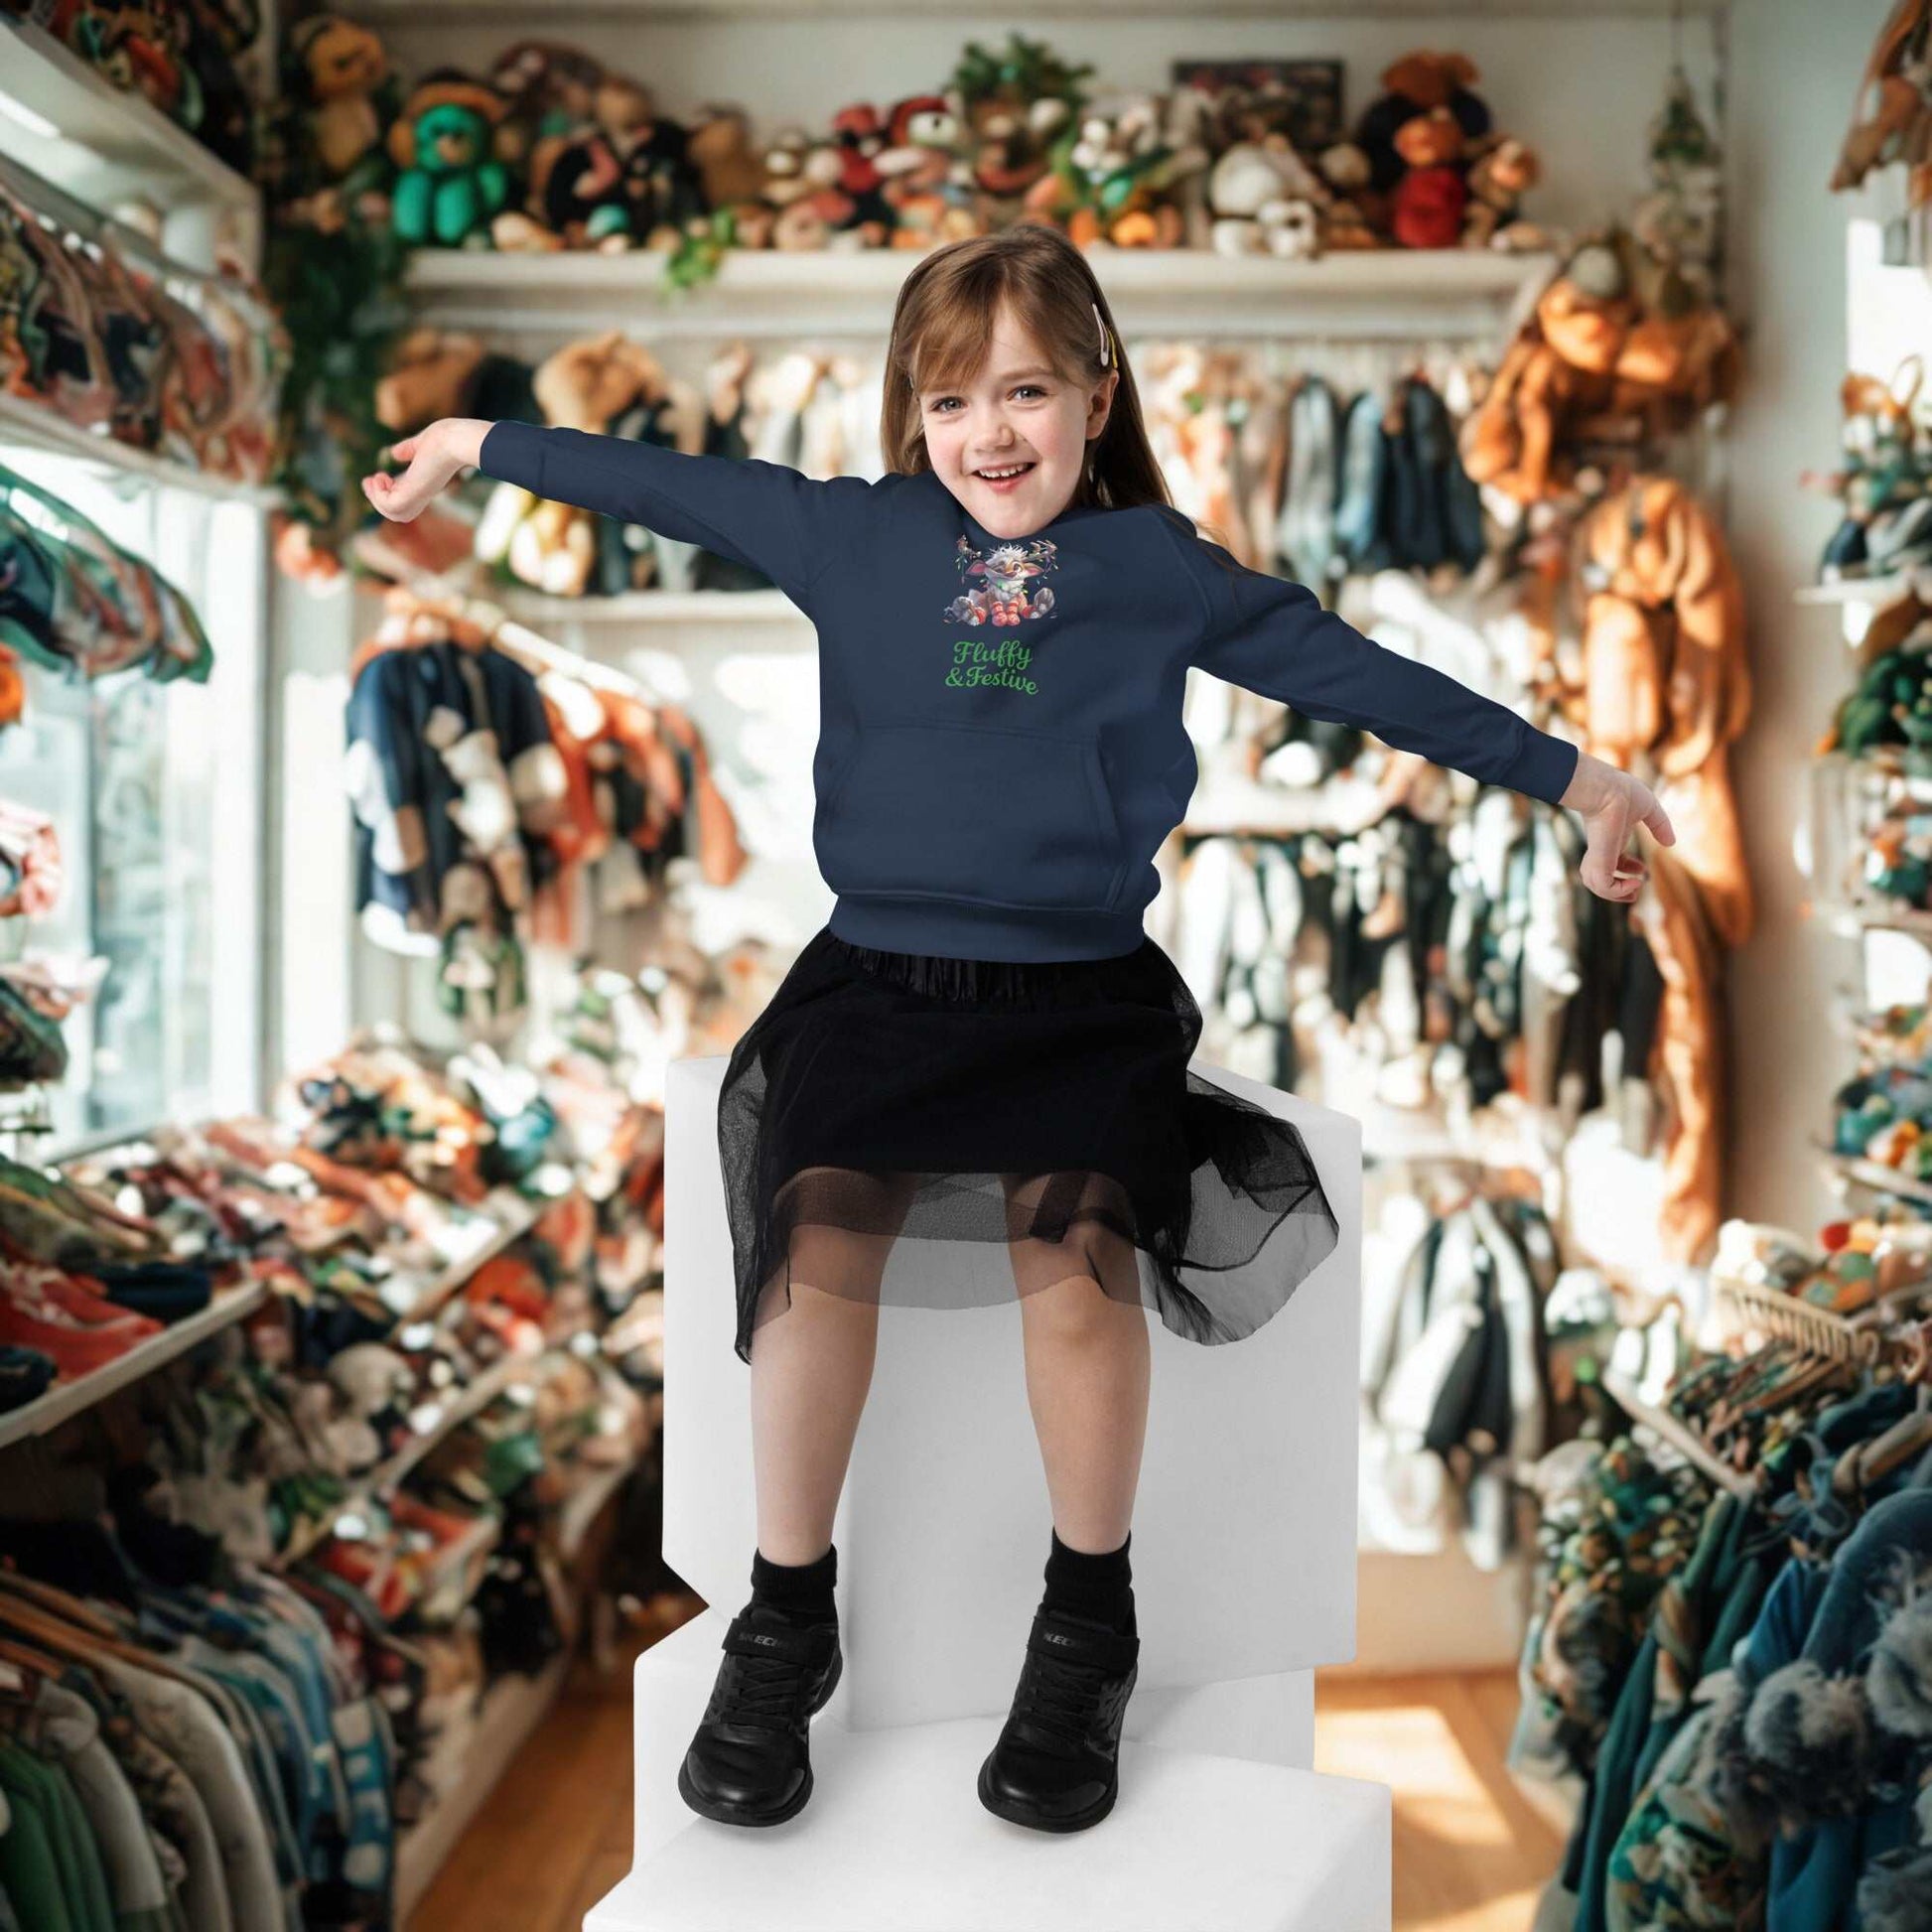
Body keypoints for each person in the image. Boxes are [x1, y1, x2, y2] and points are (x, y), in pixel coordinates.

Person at [363, 223, 1672, 1840]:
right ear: (911, 412)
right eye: (950, 400)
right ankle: (783, 1614)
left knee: (1079, 1278)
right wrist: (477, 441)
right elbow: (667, 486)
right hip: (875, 988)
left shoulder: (1155, 566)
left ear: (1097, 394)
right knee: (807, 1258)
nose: (989, 431)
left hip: (1075, 1000)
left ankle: (1086, 1622)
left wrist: (1578, 780)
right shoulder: (854, 535)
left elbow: (1358, 675)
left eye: (1027, 391)